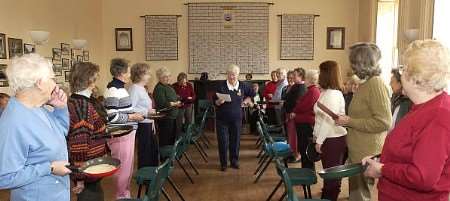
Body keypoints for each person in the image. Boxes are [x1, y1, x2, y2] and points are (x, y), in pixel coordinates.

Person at [363, 40, 450, 201]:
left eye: (403, 69)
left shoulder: (438, 115)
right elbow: (413, 150)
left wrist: (382, 169)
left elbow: (422, 177)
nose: (400, 74)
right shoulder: (423, 106)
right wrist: (381, 159)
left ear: (417, 78)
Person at [0, 54, 71, 201]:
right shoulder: (14, 122)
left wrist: (61, 108)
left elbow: (60, 133)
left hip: (57, 192)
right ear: (40, 83)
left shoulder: (38, 107)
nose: (54, 83)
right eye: (51, 78)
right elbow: (5, 177)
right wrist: (49, 168)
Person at [335, 43, 392, 201]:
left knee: (360, 195)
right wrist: (346, 121)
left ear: (359, 63)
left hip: (367, 151)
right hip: (359, 148)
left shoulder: (375, 84)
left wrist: (350, 121)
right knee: (356, 194)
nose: (350, 65)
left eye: (352, 61)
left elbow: (383, 122)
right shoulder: (366, 84)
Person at [104, 58, 144, 199]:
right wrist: (133, 117)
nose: (129, 74)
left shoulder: (120, 88)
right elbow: (112, 117)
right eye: (128, 71)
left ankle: (125, 195)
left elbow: (122, 111)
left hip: (127, 133)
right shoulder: (113, 89)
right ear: (121, 72)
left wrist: (132, 115)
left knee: (127, 169)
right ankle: (121, 196)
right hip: (121, 135)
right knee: (123, 170)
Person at [67, 62, 108, 201]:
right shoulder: (82, 106)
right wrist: (79, 178)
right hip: (87, 171)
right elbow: (79, 146)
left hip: (90, 168)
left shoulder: (75, 100)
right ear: (90, 80)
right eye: (96, 77)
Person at [313, 61, 347, 201]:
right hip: (329, 139)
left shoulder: (332, 94)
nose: (319, 75)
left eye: (321, 72)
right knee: (330, 175)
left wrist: (319, 141)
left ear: (326, 74)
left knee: (332, 178)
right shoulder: (327, 92)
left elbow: (328, 121)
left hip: (332, 139)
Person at [214, 64, 255, 171]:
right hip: (221, 119)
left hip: (237, 118)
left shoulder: (243, 85)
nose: (232, 77)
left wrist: (247, 100)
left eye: (234, 75)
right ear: (227, 74)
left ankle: (234, 161)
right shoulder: (220, 86)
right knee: (223, 141)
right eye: (230, 74)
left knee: (235, 141)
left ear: (238, 75)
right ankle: (223, 163)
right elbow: (214, 101)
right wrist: (218, 102)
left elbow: (252, 94)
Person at [129, 63, 159, 168]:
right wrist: (147, 112)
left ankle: (152, 174)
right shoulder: (135, 88)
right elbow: (131, 109)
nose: (149, 76)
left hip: (149, 123)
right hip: (143, 125)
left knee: (152, 151)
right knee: (145, 152)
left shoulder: (141, 88)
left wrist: (150, 111)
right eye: (147, 74)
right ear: (140, 75)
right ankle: (144, 177)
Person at [290, 70, 320, 170]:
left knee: (306, 150)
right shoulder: (310, 90)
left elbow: (302, 106)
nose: (304, 80)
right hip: (303, 123)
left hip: (306, 125)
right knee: (303, 149)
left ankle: (308, 172)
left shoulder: (313, 91)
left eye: (306, 78)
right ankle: (306, 170)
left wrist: (295, 111)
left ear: (310, 79)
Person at [153, 67, 181, 146]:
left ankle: (171, 156)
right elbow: (162, 104)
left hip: (172, 117)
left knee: (172, 139)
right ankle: (165, 157)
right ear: (159, 78)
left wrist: (177, 101)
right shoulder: (159, 88)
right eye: (165, 77)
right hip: (166, 118)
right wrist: (173, 104)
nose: (168, 78)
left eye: (169, 76)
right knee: (166, 140)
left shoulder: (168, 86)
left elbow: (174, 97)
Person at [283, 68, 306, 163]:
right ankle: (293, 153)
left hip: (293, 115)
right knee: (291, 136)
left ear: (301, 76)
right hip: (290, 114)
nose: (293, 77)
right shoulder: (296, 86)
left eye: (295, 75)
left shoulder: (301, 87)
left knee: (294, 137)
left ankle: (297, 155)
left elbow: (298, 102)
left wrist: (293, 113)